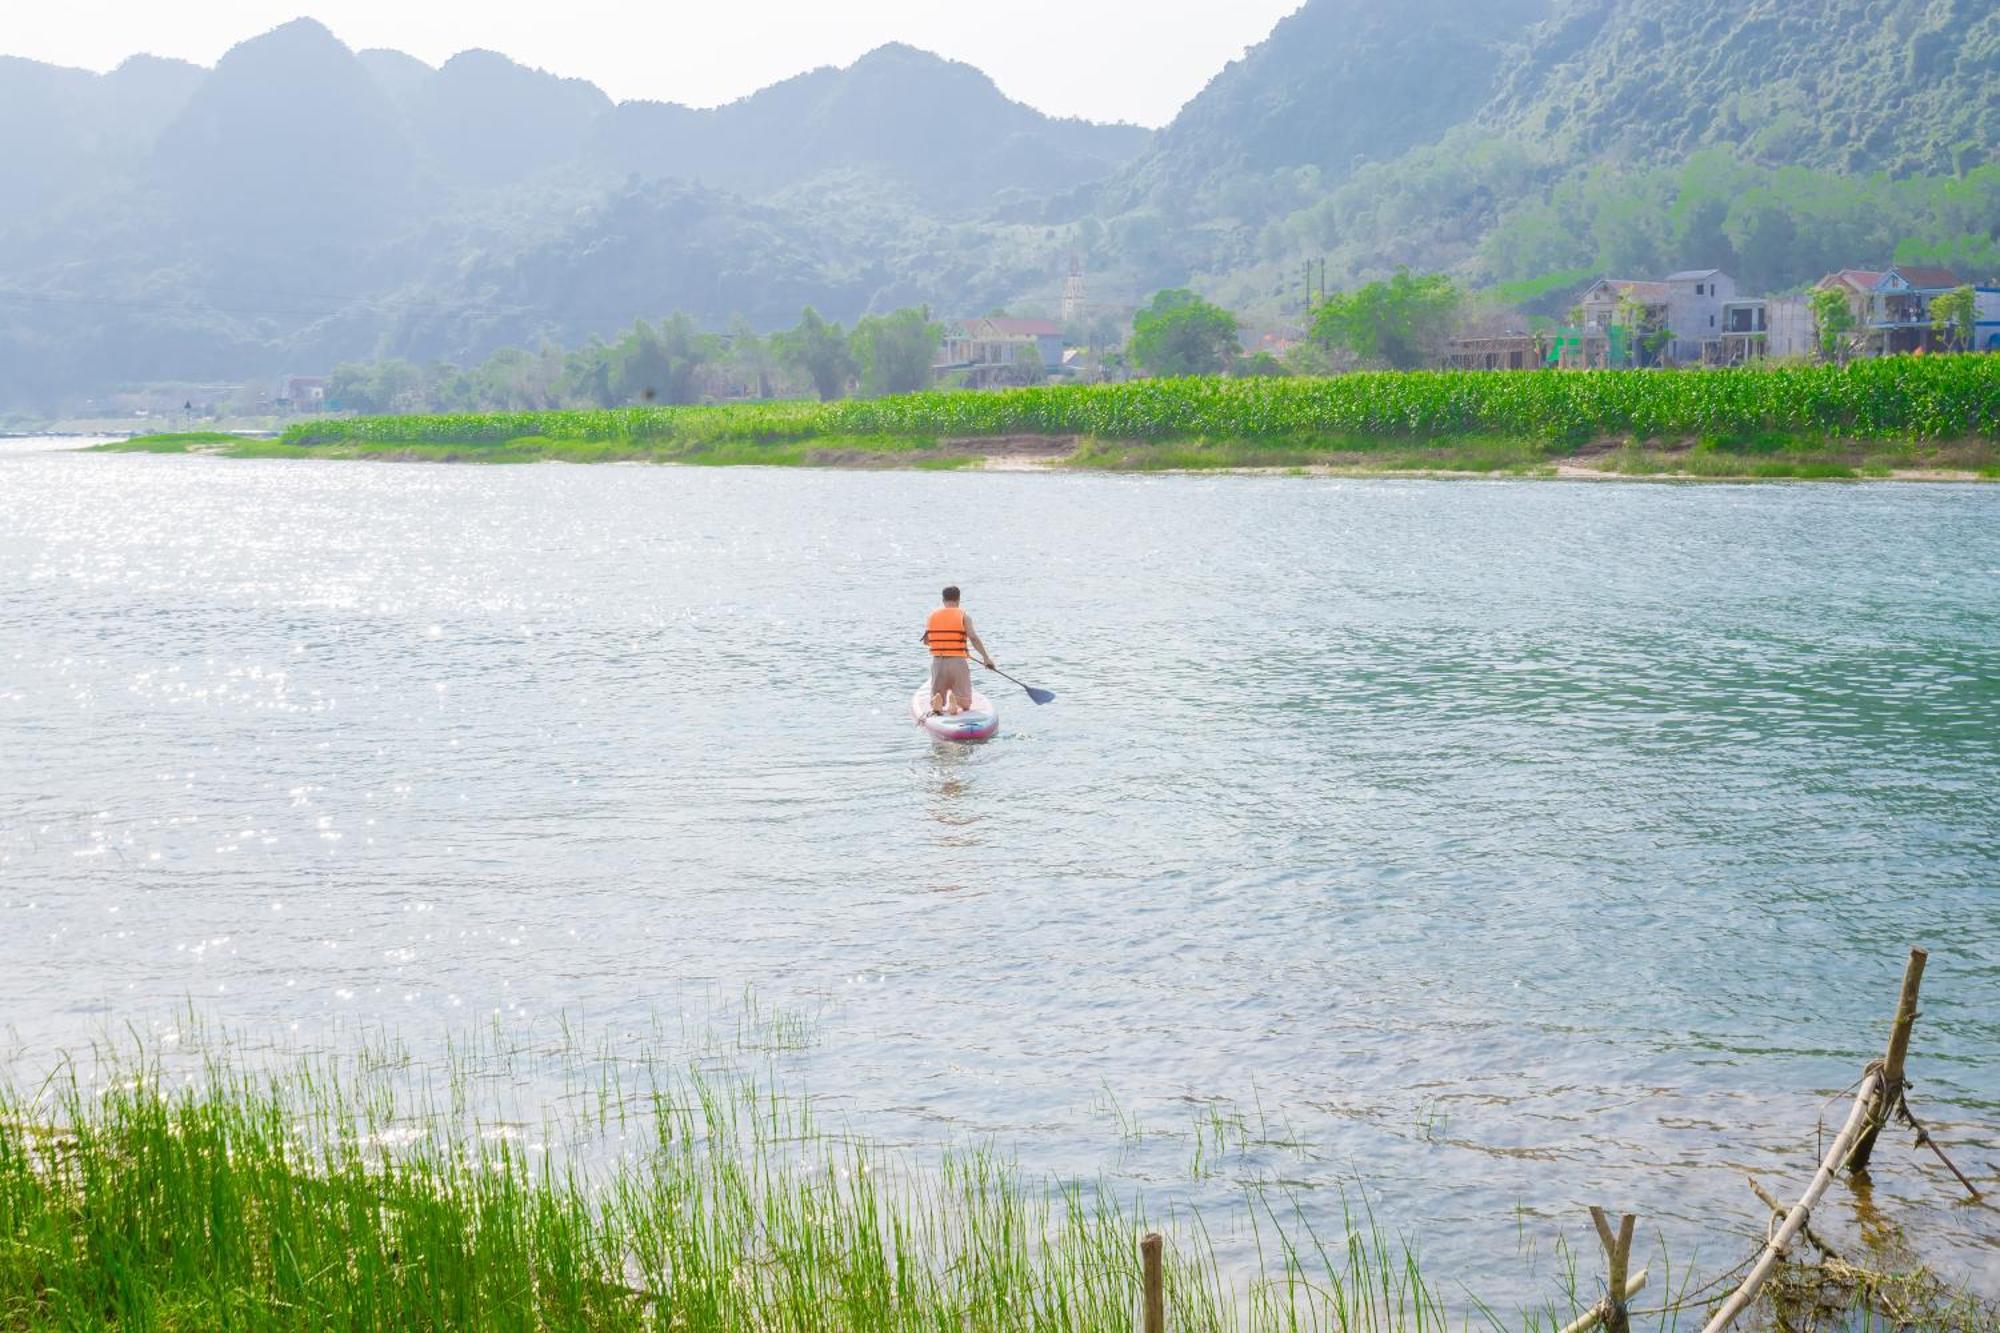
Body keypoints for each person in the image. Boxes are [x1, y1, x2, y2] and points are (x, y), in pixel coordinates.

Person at [922, 585, 994, 715]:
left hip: (938, 662)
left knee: (937, 695)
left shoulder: (932, 615)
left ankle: (937, 701)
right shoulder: (964, 616)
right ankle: (955, 702)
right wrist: (986, 658)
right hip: (957, 662)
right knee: (965, 703)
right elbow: (973, 637)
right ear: (958, 600)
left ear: (943, 600)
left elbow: (927, 641)